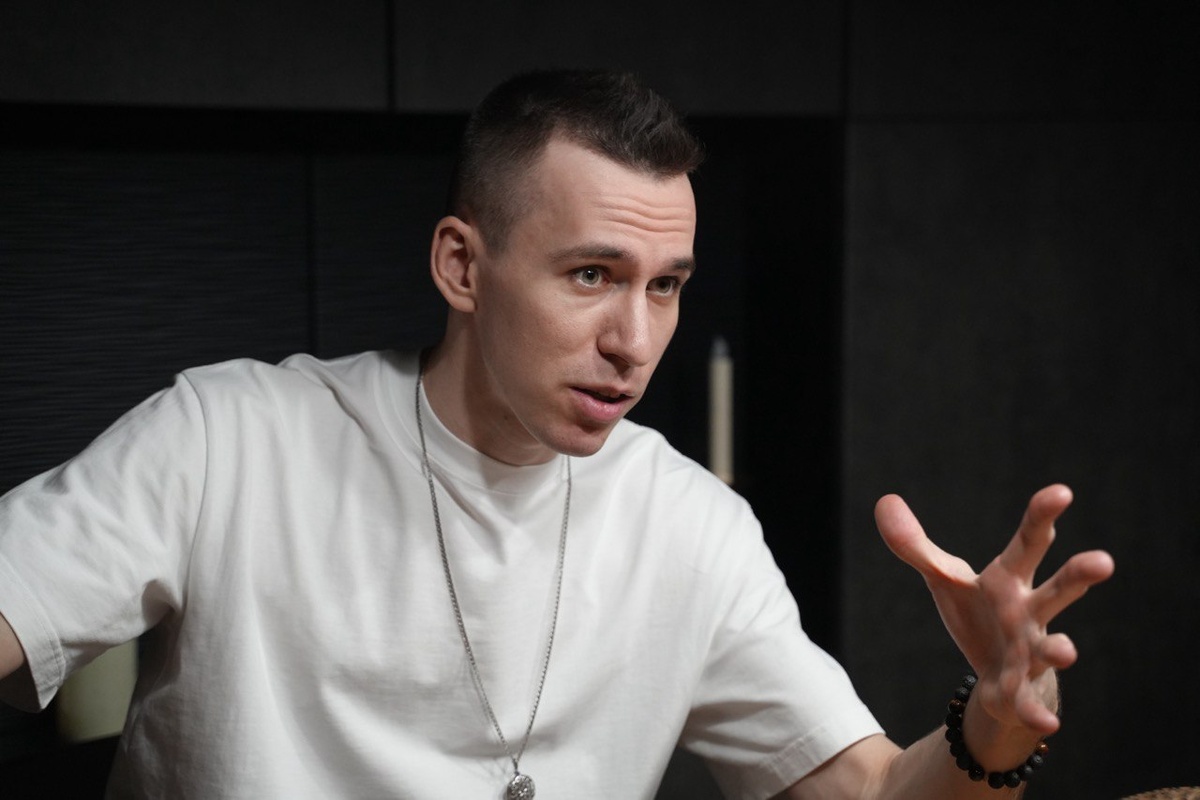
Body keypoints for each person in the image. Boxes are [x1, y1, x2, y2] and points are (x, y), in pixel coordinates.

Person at [0, 70, 1113, 799]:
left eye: (665, 285)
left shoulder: (689, 523)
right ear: (461, 265)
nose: (635, 340)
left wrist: (993, 727)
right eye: (591, 275)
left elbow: (868, 789)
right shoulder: (229, 439)